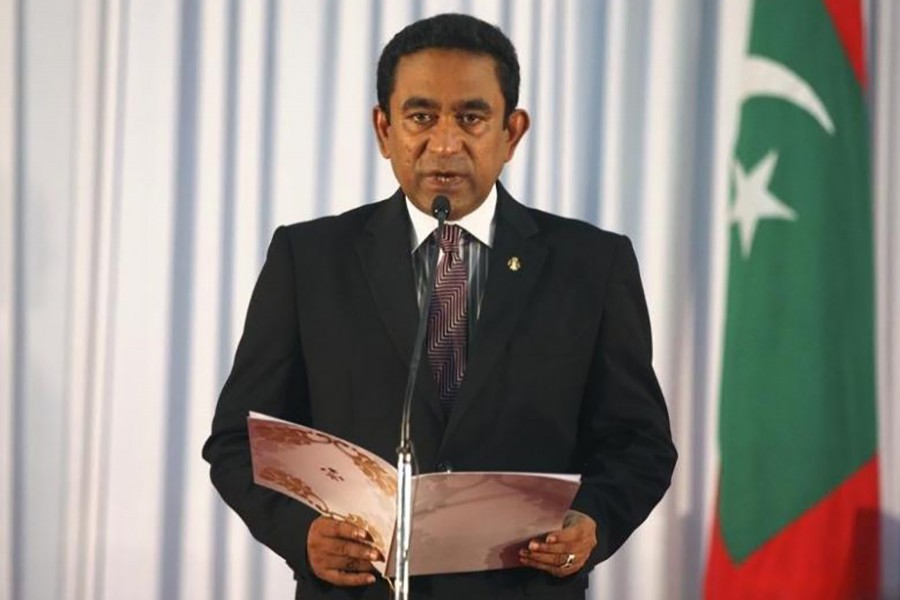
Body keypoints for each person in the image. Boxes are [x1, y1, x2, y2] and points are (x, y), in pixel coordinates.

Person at [203, 13, 676, 600]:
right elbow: (238, 440)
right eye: (421, 117)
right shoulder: (310, 259)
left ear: (512, 133)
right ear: (384, 130)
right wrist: (302, 534)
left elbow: (640, 443)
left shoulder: (591, 265)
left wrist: (593, 523)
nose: (445, 143)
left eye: (472, 118)